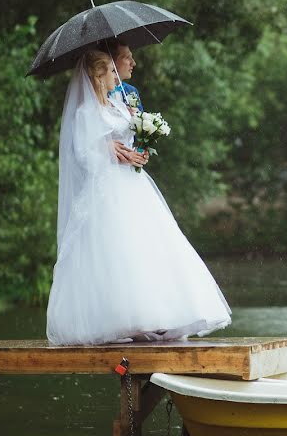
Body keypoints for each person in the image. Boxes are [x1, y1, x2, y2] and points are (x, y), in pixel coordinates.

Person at [46, 50, 231, 345]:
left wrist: (139, 146)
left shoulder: (120, 106)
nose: (115, 76)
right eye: (109, 70)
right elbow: (81, 154)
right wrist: (106, 150)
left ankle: (159, 316)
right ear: (97, 75)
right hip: (107, 189)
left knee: (149, 245)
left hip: (134, 186)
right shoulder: (85, 113)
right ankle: (123, 320)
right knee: (117, 251)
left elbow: (130, 137)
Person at [98, 38, 146, 168]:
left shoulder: (131, 92)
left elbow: (138, 138)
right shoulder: (94, 95)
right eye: (127, 57)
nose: (133, 63)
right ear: (111, 61)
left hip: (128, 170)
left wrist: (141, 152)